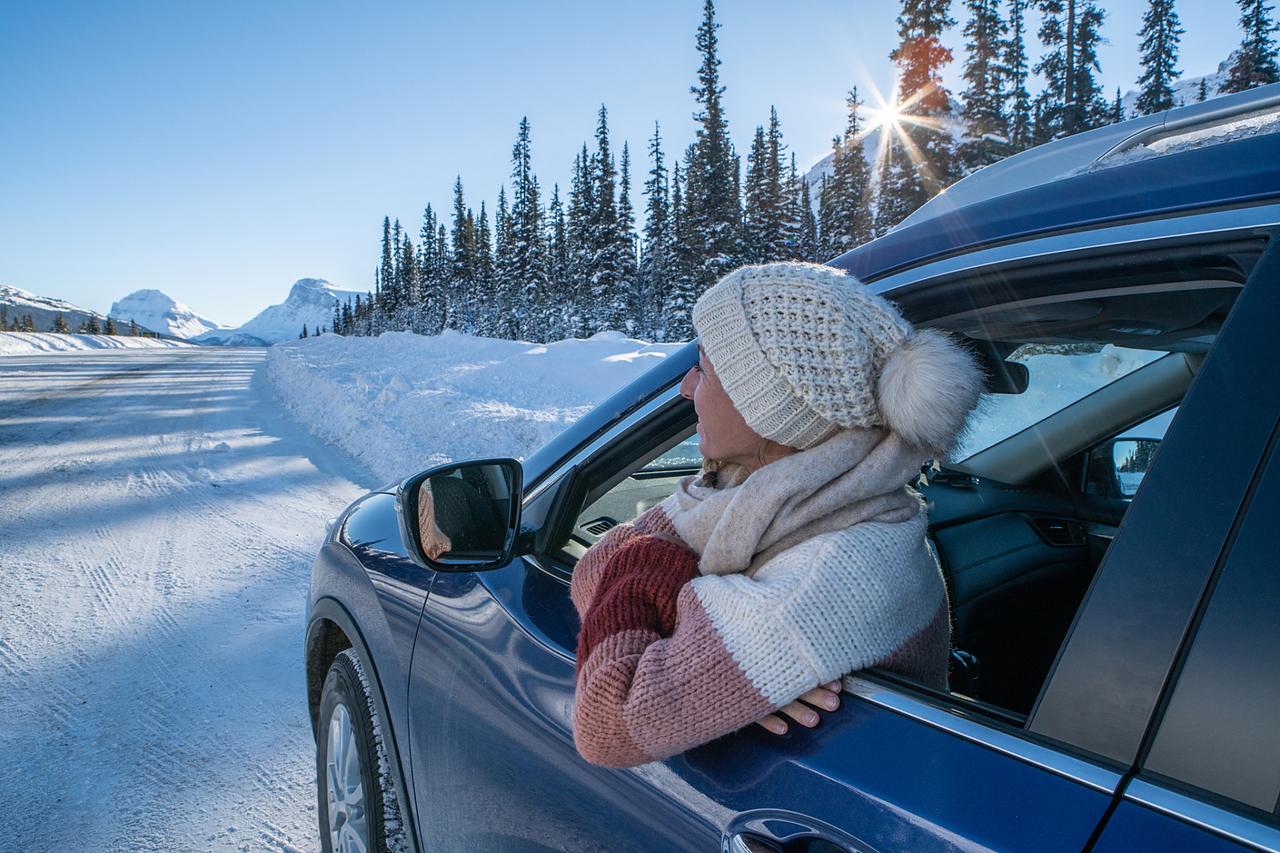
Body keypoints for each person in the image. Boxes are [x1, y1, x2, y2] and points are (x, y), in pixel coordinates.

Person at [570, 261, 983, 768]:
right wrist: (705, 638)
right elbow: (595, 566)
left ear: (767, 406)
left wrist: (651, 567)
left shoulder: (830, 573)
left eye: (705, 368)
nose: (684, 388)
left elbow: (607, 725)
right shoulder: (756, 495)